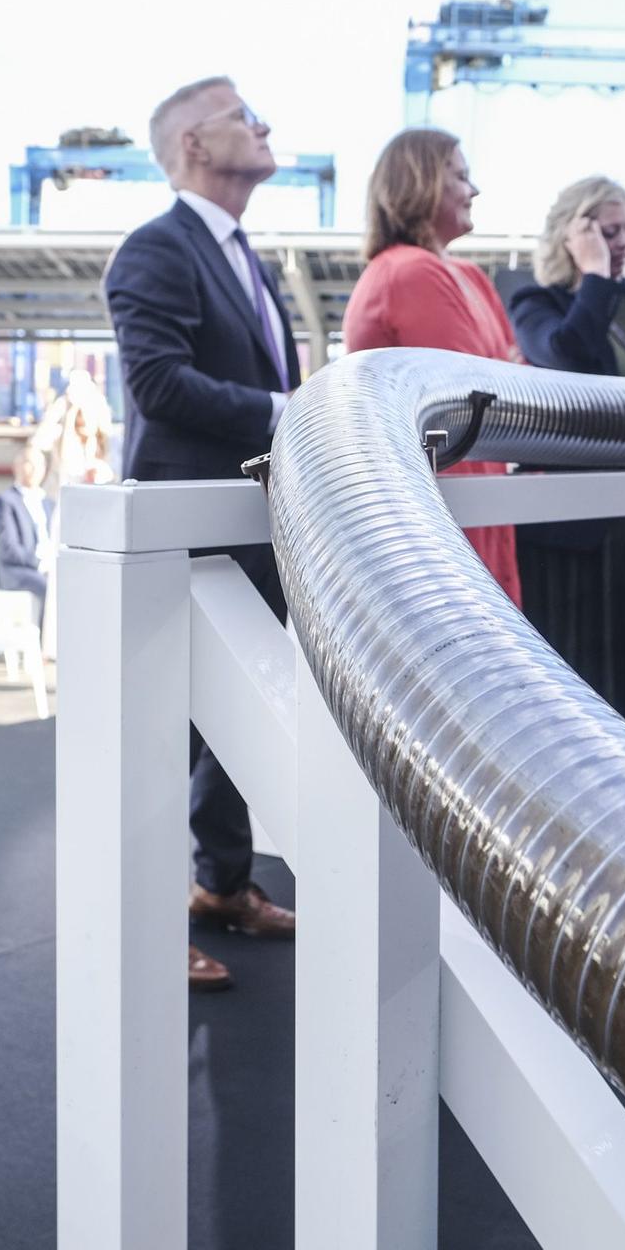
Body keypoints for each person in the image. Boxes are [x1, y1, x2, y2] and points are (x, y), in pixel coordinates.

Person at [104, 75, 299, 992]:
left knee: (235, 722)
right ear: (191, 143)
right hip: (186, 528)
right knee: (169, 731)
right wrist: (287, 411)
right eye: (243, 117)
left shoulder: (242, 253)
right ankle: (143, 923)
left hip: (249, 524)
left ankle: (221, 885)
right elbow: (159, 385)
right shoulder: (156, 249)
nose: (262, 128)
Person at [505, 175, 625, 733]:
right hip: (578, 525)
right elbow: (567, 359)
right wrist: (593, 275)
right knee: (580, 680)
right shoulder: (536, 302)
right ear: (573, 234)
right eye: (610, 231)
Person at [340, 128, 522, 605]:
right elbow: (477, 387)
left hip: (477, 491)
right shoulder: (410, 272)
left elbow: (511, 377)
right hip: (446, 508)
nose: (474, 190)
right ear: (419, 183)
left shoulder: (467, 276)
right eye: (461, 176)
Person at [0, 442, 54, 626]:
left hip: (50, 567)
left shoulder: (49, 502)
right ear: (17, 466)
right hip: (17, 570)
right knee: (48, 588)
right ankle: (46, 647)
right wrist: (39, 563)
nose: (34, 469)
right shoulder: (5, 501)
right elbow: (9, 548)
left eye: (39, 464)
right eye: (29, 462)